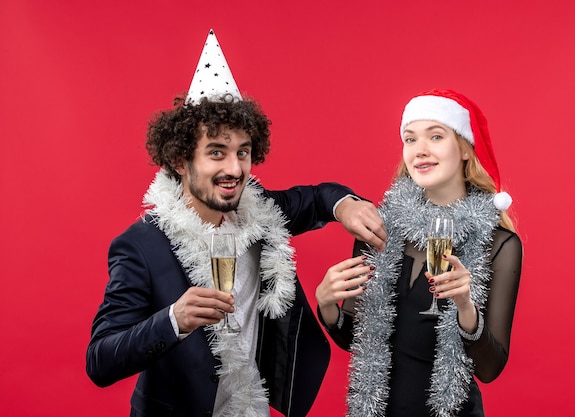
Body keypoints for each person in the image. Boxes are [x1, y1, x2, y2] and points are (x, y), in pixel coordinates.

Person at [86, 30, 386, 417]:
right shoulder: (142, 246)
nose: (234, 169)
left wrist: (346, 206)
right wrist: (173, 320)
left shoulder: (258, 213)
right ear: (180, 161)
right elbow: (100, 360)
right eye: (216, 152)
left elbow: (317, 197)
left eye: (242, 153)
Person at [316, 89, 523, 417]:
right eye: (410, 139)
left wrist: (466, 307)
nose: (420, 150)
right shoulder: (377, 229)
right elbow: (356, 338)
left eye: (436, 136)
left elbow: (489, 368)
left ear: (465, 150)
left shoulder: (498, 244)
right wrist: (327, 305)